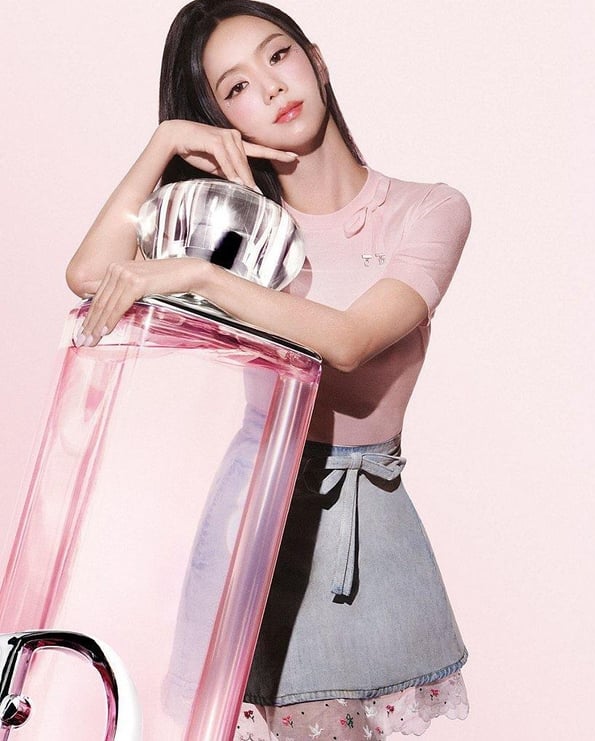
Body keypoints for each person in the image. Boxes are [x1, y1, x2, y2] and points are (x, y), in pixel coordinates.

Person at [66, 1, 472, 738]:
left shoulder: (428, 210)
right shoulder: (241, 227)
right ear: (222, 119)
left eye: (278, 56)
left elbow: (349, 341)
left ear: (316, 60)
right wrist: (163, 144)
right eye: (236, 87)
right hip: (255, 512)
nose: (272, 86)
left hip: (364, 520)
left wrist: (201, 276)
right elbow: (93, 276)